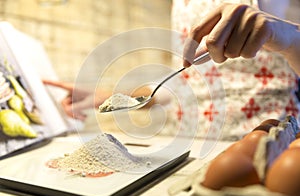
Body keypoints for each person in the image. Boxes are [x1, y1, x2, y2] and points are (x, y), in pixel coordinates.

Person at [44, 0, 300, 140]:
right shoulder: (180, 3)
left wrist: (290, 37)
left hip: (263, 141)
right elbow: (185, 79)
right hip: (191, 144)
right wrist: (112, 94)